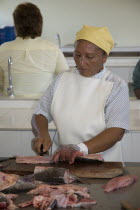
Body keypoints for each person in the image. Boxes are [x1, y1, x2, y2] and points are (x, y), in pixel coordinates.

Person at [31, 25, 129, 163]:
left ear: (104, 57)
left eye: (90, 57)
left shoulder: (116, 85)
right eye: (77, 55)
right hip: (63, 160)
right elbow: (40, 112)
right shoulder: (62, 79)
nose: (82, 62)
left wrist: (79, 148)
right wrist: (42, 133)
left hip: (104, 163)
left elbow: (116, 131)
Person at [0, 2, 68, 96]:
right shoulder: (53, 49)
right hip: (41, 108)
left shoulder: (3, 49)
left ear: (16, 25)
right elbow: (66, 81)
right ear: (40, 23)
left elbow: (1, 84)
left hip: (10, 107)